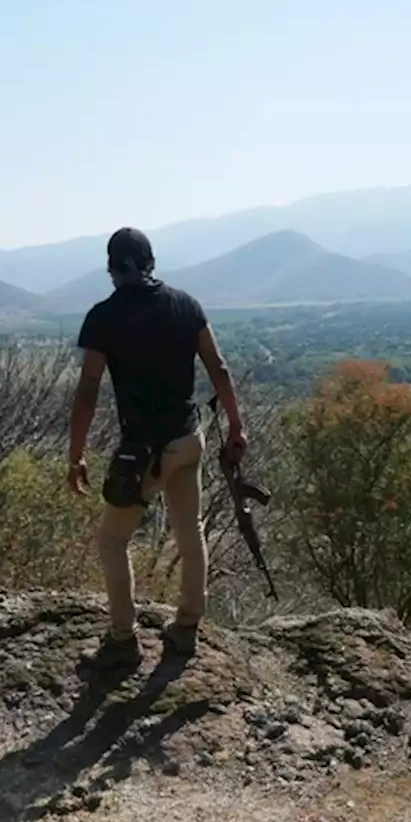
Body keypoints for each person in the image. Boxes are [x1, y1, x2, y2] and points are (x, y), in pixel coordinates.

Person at [67, 226, 247, 671]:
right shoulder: (186, 305)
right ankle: (186, 629)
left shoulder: (104, 317)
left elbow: (88, 389)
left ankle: (123, 642)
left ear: (112, 268)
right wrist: (237, 427)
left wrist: (76, 454)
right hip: (189, 439)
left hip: (146, 449)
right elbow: (218, 367)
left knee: (112, 540)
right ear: (151, 261)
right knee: (192, 532)